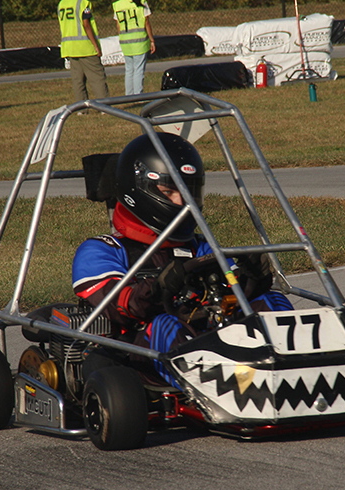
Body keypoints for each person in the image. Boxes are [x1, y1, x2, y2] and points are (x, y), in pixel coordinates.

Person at [71, 133, 292, 386]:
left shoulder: (200, 245)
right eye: (169, 191)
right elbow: (118, 308)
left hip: (211, 337)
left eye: (189, 191)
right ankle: (221, 388)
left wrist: (253, 279)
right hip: (137, 354)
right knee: (165, 324)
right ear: (139, 190)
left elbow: (233, 297)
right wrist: (158, 288)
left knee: (272, 300)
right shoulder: (100, 250)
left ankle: (291, 373)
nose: (182, 202)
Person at [58, 0, 109, 107]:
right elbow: (86, 24)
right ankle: (105, 107)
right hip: (85, 47)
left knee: (78, 81)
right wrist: (96, 46)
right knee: (97, 78)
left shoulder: (62, 4)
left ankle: (81, 108)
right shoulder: (82, 3)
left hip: (70, 48)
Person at [112, 0, 156, 95]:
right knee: (138, 69)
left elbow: (118, 25)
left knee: (129, 70)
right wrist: (152, 40)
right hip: (139, 41)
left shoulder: (118, 4)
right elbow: (146, 22)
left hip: (125, 41)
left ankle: (128, 95)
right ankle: (138, 95)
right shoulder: (141, 2)